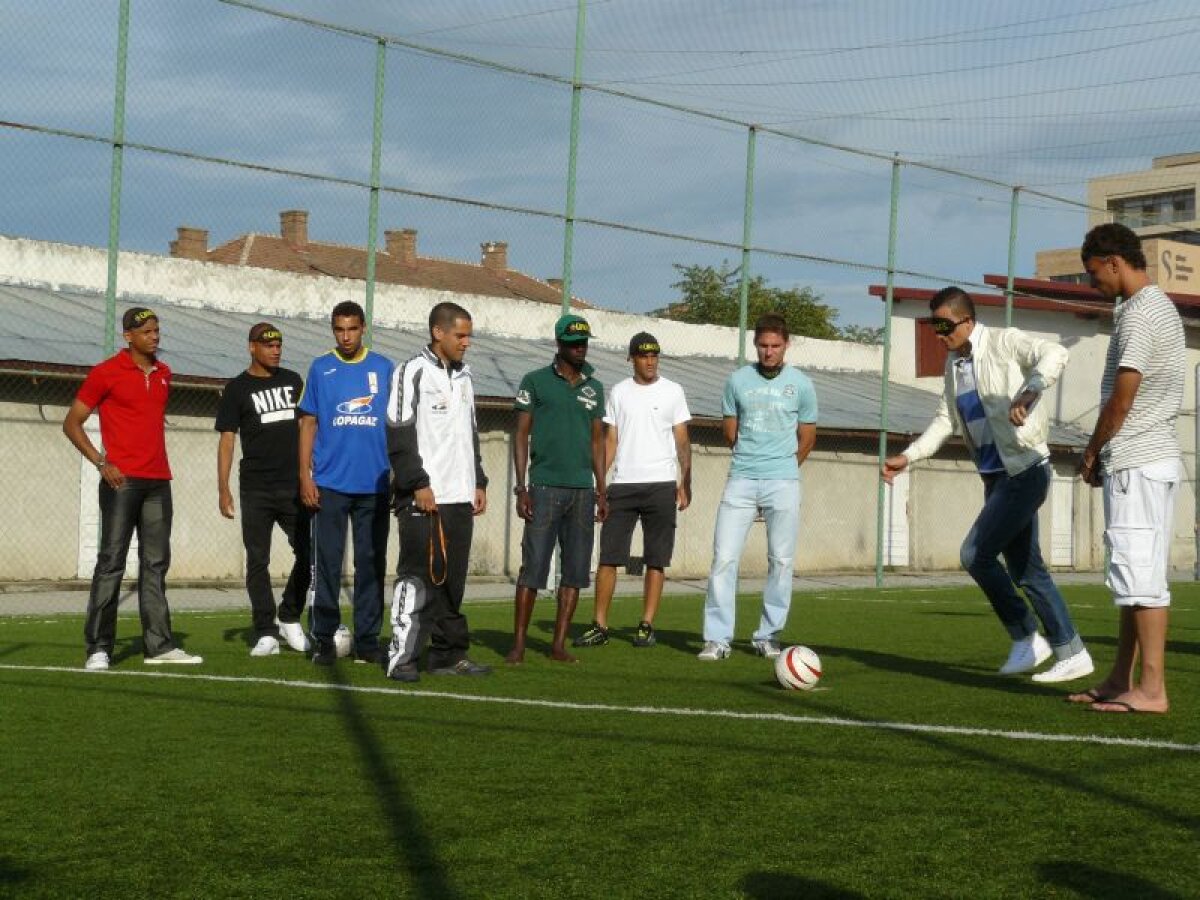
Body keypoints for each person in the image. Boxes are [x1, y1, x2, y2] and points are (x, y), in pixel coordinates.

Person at [881, 287, 1093, 682]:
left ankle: (1027, 635)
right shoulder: (953, 365)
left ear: (966, 320)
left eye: (944, 325)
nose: (939, 334)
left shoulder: (1003, 341)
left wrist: (1031, 390)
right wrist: (908, 456)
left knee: (974, 554)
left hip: (1025, 470)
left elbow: (1055, 354)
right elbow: (946, 418)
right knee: (1028, 571)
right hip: (996, 478)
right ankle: (1068, 650)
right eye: (933, 326)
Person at [1070, 223, 1184, 714]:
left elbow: (1123, 395)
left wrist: (1093, 450)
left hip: (1137, 460)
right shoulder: (1156, 307)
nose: (1095, 284)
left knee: (1142, 579)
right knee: (1130, 578)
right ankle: (1121, 679)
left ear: (1114, 261)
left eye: (1095, 275)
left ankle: (1152, 689)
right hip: (1145, 459)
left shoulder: (1140, 315)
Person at [62, 307, 202, 670]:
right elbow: (72, 423)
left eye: (157, 330)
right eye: (146, 332)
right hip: (121, 482)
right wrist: (100, 462)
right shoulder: (105, 372)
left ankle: (159, 645)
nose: (154, 336)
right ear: (128, 336)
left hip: (159, 481)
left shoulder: (165, 374)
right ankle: (98, 648)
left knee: (155, 564)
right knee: (111, 563)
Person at [699, 313, 818, 661]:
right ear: (755, 345)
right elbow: (730, 433)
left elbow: (808, 438)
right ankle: (717, 640)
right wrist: (753, 463)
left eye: (775, 346)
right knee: (723, 558)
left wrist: (782, 469)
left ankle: (768, 636)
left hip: (783, 482)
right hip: (741, 479)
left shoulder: (803, 384)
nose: (769, 352)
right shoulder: (737, 381)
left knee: (781, 560)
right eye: (763, 345)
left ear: (786, 345)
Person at [383, 302, 491, 682]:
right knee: (417, 578)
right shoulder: (410, 372)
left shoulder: (465, 377)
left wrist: (478, 481)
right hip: (422, 498)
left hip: (459, 497)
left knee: (452, 583)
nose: (467, 342)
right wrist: (418, 483)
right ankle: (401, 657)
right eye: (461, 335)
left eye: (468, 335)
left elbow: (471, 434)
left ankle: (447, 655)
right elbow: (398, 432)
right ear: (438, 333)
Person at [574, 331, 691, 649]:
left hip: (661, 485)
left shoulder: (673, 391)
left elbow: (682, 440)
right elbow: (610, 440)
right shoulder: (619, 392)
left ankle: (646, 625)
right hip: (623, 485)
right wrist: (599, 484)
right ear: (632, 359)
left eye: (655, 355)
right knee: (609, 558)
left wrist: (685, 482)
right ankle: (600, 625)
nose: (650, 361)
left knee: (656, 559)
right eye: (643, 355)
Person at [506, 313, 608, 665]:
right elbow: (520, 434)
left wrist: (602, 489)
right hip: (544, 487)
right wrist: (522, 488)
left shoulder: (595, 387)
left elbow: (598, 442)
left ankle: (558, 645)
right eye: (574, 342)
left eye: (584, 342)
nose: (581, 348)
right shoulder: (534, 381)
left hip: (582, 491)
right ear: (559, 344)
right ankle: (518, 644)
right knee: (532, 569)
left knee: (576, 572)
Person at [298, 300, 393, 666]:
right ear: (333, 330)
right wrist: (304, 476)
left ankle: (368, 641)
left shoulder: (384, 368)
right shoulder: (321, 368)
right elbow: (307, 425)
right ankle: (324, 638)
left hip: (375, 485)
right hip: (330, 485)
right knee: (327, 565)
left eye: (352, 328)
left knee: (371, 564)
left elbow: (399, 424)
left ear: (363, 328)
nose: (346, 335)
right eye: (339, 329)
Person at [215, 322, 311, 657]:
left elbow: (307, 428)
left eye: (279, 344)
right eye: (268, 345)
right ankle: (266, 631)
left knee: (309, 553)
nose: (275, 349)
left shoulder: (293, 381)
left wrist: (310, 475)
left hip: (294, 486)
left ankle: (289, 615)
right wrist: (222, 488)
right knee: (258, 560)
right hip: (255, 487)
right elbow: (227, 439)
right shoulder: (237, 389)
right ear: (251, 347)